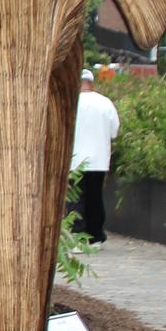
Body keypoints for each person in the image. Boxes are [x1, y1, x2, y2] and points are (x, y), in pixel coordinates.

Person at [71, 68, 119, 244]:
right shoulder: (105, 103)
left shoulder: (70, 102)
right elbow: (114, 131)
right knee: (95, 198)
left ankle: (76, 237)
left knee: (75, 198)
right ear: (92, 83)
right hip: (99, 159)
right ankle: (95, 236)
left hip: (74, 161)